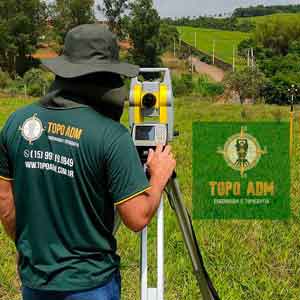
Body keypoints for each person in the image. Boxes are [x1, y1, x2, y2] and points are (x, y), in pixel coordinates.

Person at [0, 24, 176, 300]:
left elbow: (4, 199)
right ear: (105, 78)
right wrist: (158, 176)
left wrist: (32, 251)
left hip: (35, 281)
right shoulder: (111, 136)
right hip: (91, 285)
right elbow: (137, 217)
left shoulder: (16, 122)